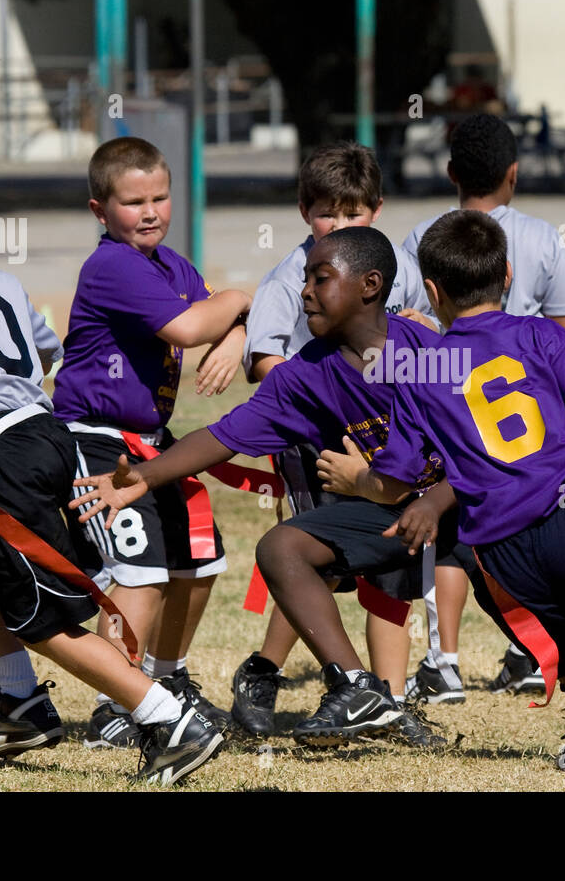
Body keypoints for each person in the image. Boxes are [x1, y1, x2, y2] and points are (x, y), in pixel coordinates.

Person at [319, 210, 565, 792]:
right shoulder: (539, 335)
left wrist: (358, 479)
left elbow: (396, 480)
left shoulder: (418, 365)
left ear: (431, 291)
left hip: (496, 555)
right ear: (507, 275)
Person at [0, 162, 221, 785]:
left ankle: (166, 717)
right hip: (51, 435)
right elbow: (44, 352)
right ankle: (20, 700)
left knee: (41, 616)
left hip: (0, 460)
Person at [73, 226, 460, 748]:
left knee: (551, 599)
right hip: (401, 512)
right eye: (305, 279)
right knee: (283, 546)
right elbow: (224, 434)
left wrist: (426, 496)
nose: (305, 292)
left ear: (370, 286)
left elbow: (478, 452)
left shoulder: (426, 351)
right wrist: (144, 474)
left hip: (470, 505)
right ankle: (356, 686)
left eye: (321, 279)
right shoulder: (307, 375)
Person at [231, 141, 447, 734]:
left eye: (353, 212)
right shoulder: (290, 278)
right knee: (317, 564)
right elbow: (265, 359)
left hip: (387, 448)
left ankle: (388, 704)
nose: (341, 223)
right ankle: (265, 672)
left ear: (375, 210)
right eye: (329, 211)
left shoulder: (383, 265)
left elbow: (412, 343)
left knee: (391, 569)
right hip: (321, 448)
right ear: (305, 211)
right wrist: (320, 397)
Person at [54, 136, 252, 749]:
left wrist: (239, 334)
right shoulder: (112, 264)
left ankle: (166, 681)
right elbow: (192, 324)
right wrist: (242, 301)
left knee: (199, 562)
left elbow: (213, 312)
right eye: (133, 201)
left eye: (160, 197)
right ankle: (119, 701)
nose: (150, 212)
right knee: (141, 573)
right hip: (98, 439)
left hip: (153, 440)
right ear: (99, 211)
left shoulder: (172, 264)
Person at [399, 113, 565, 701]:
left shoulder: (422, 237)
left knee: (451, 530)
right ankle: (535, 650)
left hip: (454, 405)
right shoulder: (539, 236)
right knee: (537, 521)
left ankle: (444, 660)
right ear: (514, 173)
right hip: (532, 408)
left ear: (452, 172)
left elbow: (409, 325)